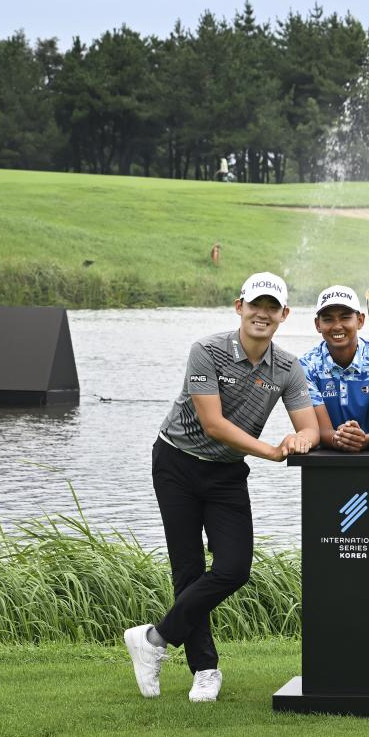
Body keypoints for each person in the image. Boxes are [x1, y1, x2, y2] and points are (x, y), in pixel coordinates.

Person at [124, 271, 319, 703]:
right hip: (176, 462)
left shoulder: (288, 367)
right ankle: (205, 670)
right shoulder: (207, 351)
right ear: (239, 307)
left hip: (227, 473)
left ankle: (154, 640)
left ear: (284, 314)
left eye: (272, 308)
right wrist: (271, 450)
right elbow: (214, 424)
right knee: (189, 568)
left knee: (234, 569)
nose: (262, 314)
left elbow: (308, 427)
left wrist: (299, 440)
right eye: (256, 305)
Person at [298, 285, 369, 451]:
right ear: (317, 324)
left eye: (345, 317)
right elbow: (322, 430)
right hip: (327, 460)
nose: (337, 326)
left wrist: (366, 439)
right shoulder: (307, 365)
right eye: (328, 319)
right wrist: (341, 439)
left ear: (360, 320)